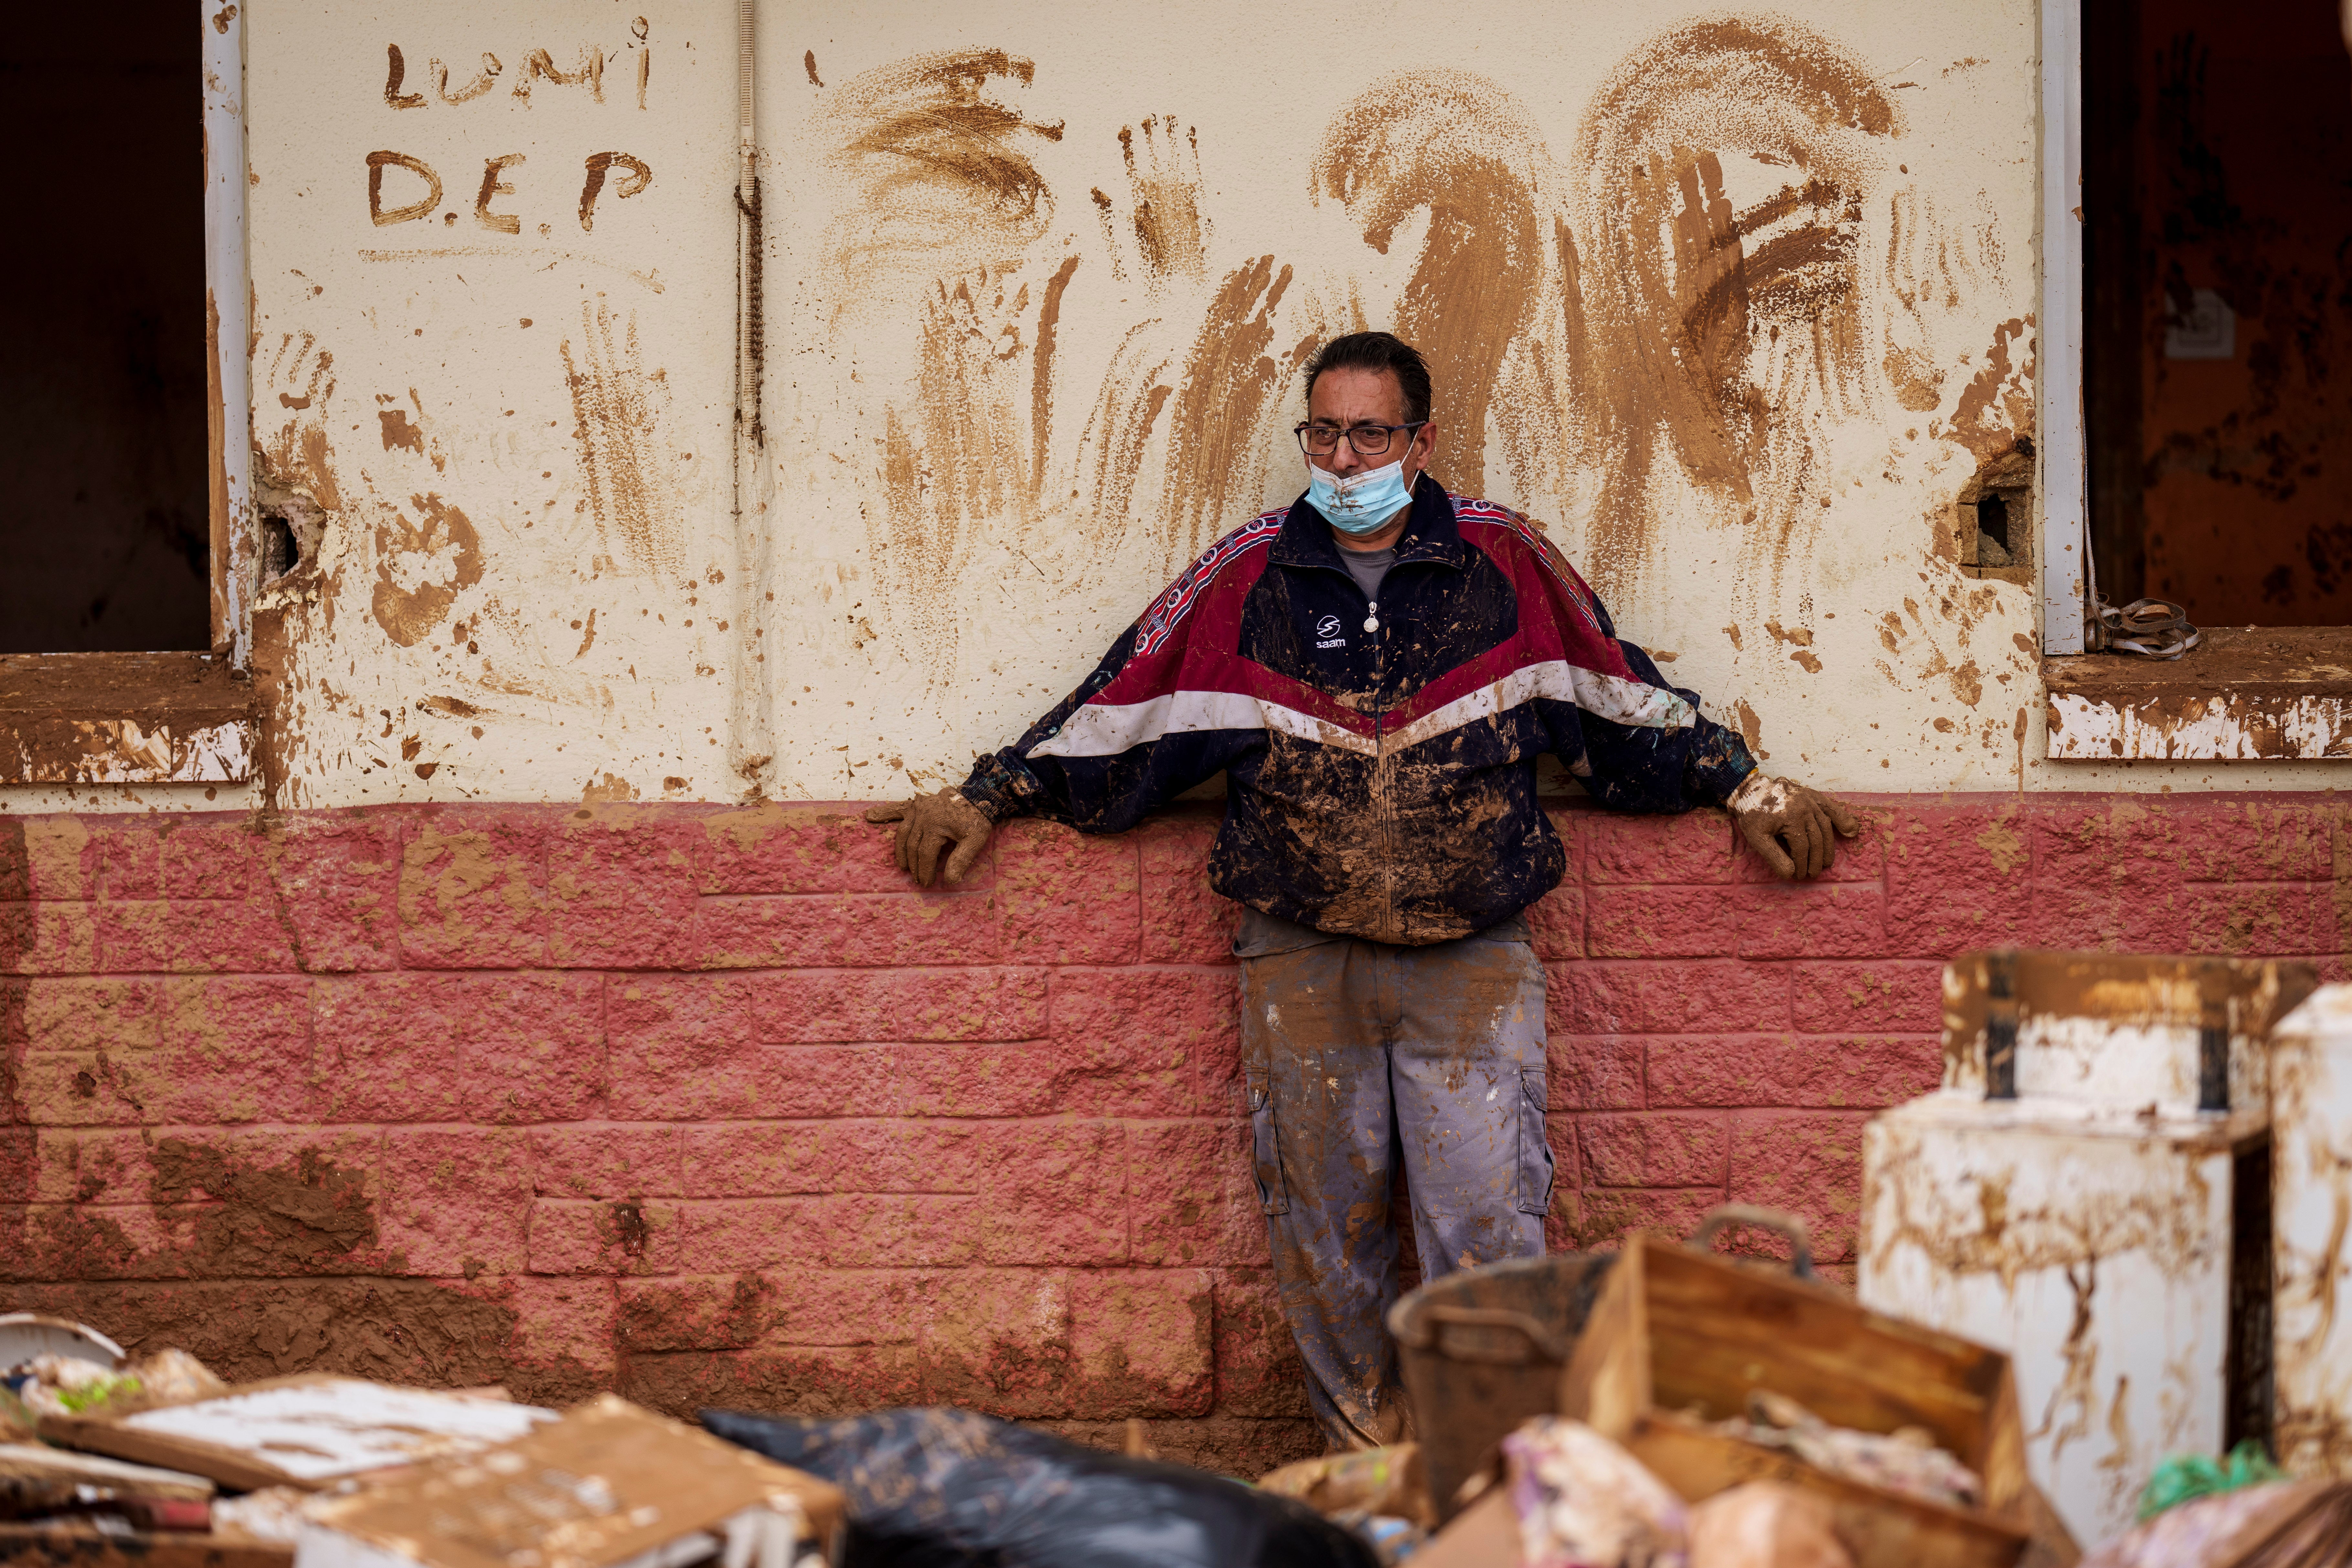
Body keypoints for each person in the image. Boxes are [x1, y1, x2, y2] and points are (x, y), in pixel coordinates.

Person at [868, 331, 1858, 1450]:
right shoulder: (1248, 577)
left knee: (1485, 1241)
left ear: (1422, 442)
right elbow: (1123, 708)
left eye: (1370, 434)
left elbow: (1617, 696)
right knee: (1325, 1243)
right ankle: (1364, 1483)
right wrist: (987, 794)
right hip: (1301, 961)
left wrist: (1746, 784)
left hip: (1471, 959)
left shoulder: (1508, 565)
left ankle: (1486, 1489)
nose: (1344, 460)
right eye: (1324, 433)